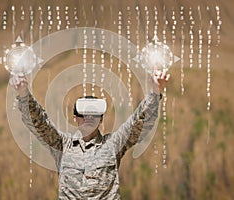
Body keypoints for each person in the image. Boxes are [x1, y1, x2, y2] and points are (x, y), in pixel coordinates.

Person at [9, 69, 170, 199]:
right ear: (75, 118)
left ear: (101, 119)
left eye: (94, 114)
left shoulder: (113, 144)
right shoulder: (62, 145)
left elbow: (139, 123)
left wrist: (155, 92)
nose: (89, 118)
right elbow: (40, 123)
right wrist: (23, 94)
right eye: (84, 114)